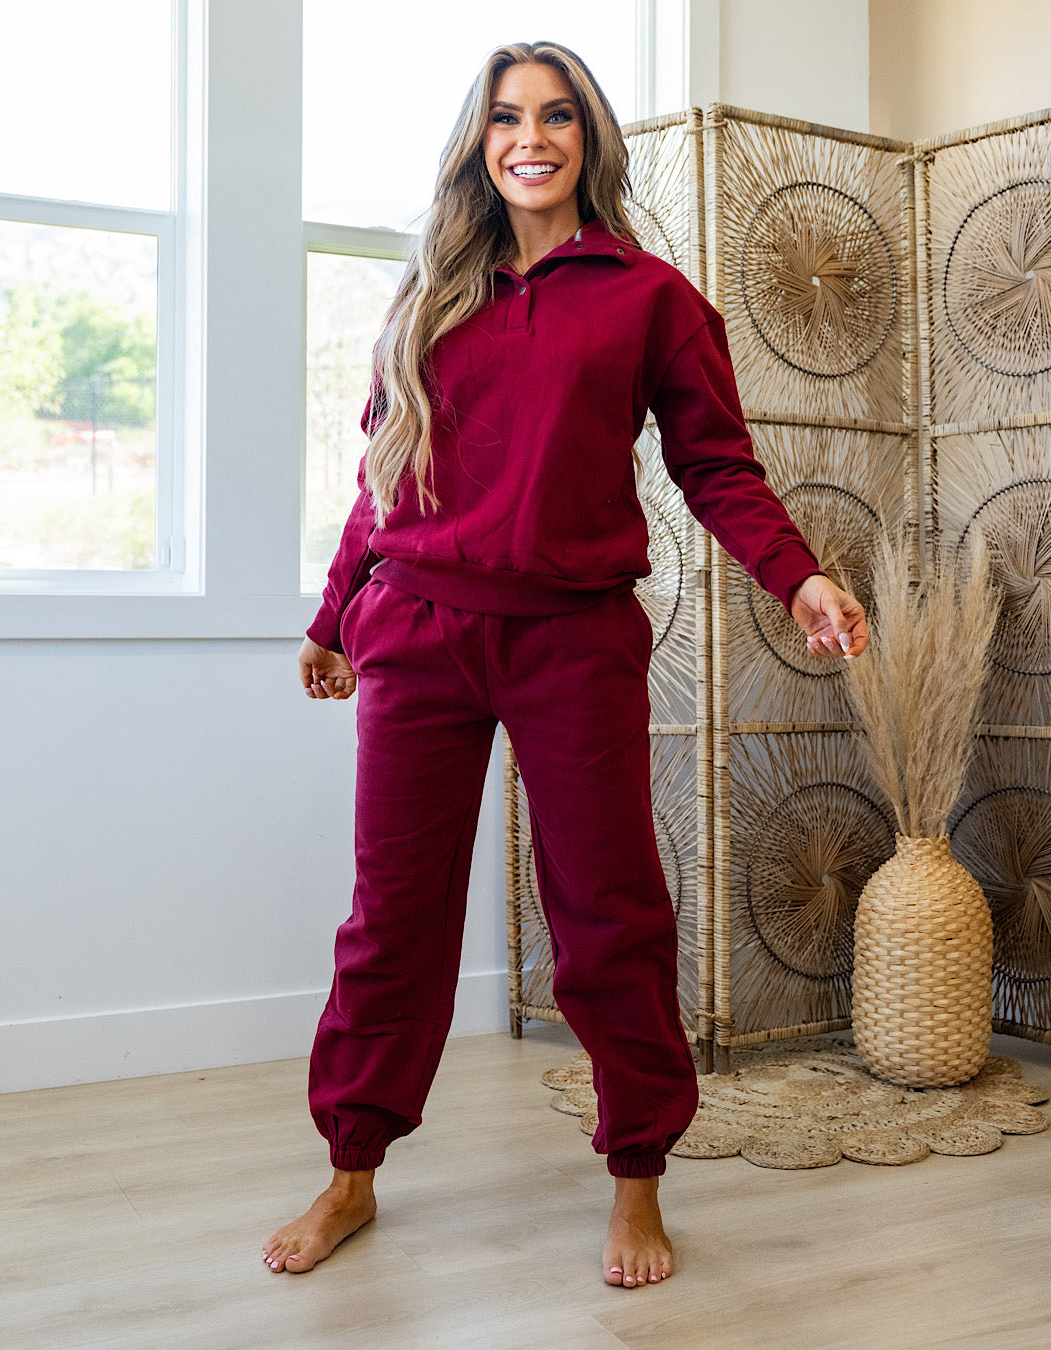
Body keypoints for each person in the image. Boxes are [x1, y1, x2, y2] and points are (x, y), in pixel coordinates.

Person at [263, 40, 867, 1289]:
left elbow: (717, 469)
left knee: (609, 915)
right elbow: (384, 480)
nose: (527, 138)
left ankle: (637, 1179)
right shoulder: (432, 293)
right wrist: (332, 617)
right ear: (479, 144)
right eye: (504, 118)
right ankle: (350, 1171)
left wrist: (798, 575)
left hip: (574, 641)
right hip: (418, 632)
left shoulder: (651, 300)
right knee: (392, 919)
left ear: (588, 138)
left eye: (553, 116)